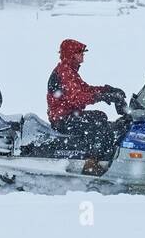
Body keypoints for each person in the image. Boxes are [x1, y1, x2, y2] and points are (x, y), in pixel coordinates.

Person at [46, 38, 127, 175]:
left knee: (100, 116)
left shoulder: (69, 70)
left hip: (68, 114)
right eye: (80, 52)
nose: (83, 55)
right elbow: (77, 97)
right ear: (71, 54)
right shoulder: (64, 72)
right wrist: (101, 97)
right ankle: (90, 164)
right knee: (96, 122)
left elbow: (86, 89)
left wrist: (107, 90)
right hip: (62, 118)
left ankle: (102, 157)